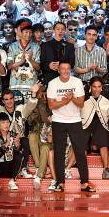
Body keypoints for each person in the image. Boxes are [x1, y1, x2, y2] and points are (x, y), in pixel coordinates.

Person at [46, 61, 95, 192]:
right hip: (58, 120)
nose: (66, 71)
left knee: (80, 151)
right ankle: (60, 182)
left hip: (75, 120)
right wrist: (65, 101)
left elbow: (80, 103)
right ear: (58, 70)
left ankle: (85, 182)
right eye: (63, 69)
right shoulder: (52, 83)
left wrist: (72, 98)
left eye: (68, 69)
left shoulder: (76, 82)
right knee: (59, 153)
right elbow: (51, 106)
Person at [80, 77, 109, 179]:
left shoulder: (107, 96)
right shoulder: (84, 96)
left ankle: (106, 169)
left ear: (102, 87)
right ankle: (82, 169)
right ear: (90, 87)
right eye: (94, 87)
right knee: (82, 144)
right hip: (85, 122)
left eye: (99, 87)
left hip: (100, 122)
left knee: (103, 143)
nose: (96, 89)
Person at [0, 112, 24, 190]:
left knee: (19, 155)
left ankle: (12, 181)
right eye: (3, 122)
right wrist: (7, 143)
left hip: (10, 168)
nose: (6, 124)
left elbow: (17, 152)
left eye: (7, 122)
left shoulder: (13, 135)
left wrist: (17, 146)